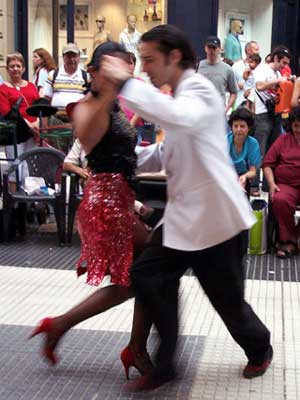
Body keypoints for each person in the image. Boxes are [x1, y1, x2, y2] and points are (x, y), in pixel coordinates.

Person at [101, 24, 273, 391]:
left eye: (148, 60)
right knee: (148, 275)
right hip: (182, 221)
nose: (144, 67)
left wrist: (124, 82)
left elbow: (179, 118)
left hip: (216, 222)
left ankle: (260, 348)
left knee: (227, 303)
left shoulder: (200, 91)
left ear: (174, 56)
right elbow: (169, 150)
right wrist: (125, 160)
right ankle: (165, 365)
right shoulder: (180, 97)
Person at [29, 42, 153, 379]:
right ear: (95, 71)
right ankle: (134, 348)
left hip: (119, 200)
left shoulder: (115, 108)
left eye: (127, 66)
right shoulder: (86, 106)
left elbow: (123, 162)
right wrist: (110, 89)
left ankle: (63, 326)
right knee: (149, 274)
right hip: (104, 204)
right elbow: (86, 134)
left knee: (141, 279)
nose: (123, 73)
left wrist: (135, 203)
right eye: (115, 67)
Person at [252, 45, 291, 194]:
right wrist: (278, 81)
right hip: (262, 116)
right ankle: (254, 185)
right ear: (276, 58)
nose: (285, 66)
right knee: (259, 151)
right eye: (284, 63)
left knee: (274, 153)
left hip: (275, 115)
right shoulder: (262, 69)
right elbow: (260, 86)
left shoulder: (276, 72)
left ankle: (269, 185)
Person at [263, 106, 300, 258]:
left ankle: (291, 238)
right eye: (296, 125)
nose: (299, 129)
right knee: (279, 199)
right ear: (291, 124)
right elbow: (267, 164)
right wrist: (271, 184)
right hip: (287, 185)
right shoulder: (283, 140)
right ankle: (289, 241)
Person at [0, 52, 39, 187]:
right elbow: (6, 112)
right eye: (12, 66)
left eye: (18, 66)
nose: (15, 69)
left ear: (23, 68)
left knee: (31, 167)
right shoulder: (3, 89)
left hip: (33, 133)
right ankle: (14, 203)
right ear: (7, 69)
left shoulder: (31, 86)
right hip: (15, 134)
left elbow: (38, 106)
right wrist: (28, 124)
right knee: (15, 168)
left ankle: (31, 203)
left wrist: (37, 123)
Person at [43, 43, 87, 123]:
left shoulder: (86, 76)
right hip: (56, 120)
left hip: (79, 120)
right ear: (63, 57)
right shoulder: (53, 75)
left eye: (74, 56)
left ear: (79, 57)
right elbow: (46, 99)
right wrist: (45, 122)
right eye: (68, 56)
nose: (72, 59)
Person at [198, 36, 238, 115]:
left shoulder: (227, 69)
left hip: (218, 112)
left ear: (219, 49)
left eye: (214, 48)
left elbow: (234, 92)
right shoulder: (197, 66)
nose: (211, 51)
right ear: (205, 48)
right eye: (209, 47)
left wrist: (226, 109)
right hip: (200, 111)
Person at [228, 107, 261, 195]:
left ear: (249, 128)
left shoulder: (253, 143)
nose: (239, 130)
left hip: (243, 178)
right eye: (235, 126)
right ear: (231, 127)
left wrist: (244, 176)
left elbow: (253, 171)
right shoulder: (224, 141)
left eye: (242, 126)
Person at [232, 41, 260, 108]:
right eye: (256, 49)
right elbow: (230, 85)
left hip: (256, 105)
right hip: (239, 103)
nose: (258, 52)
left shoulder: (261, 67)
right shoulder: (236, 66)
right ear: (248, 50)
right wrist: (241, 85)